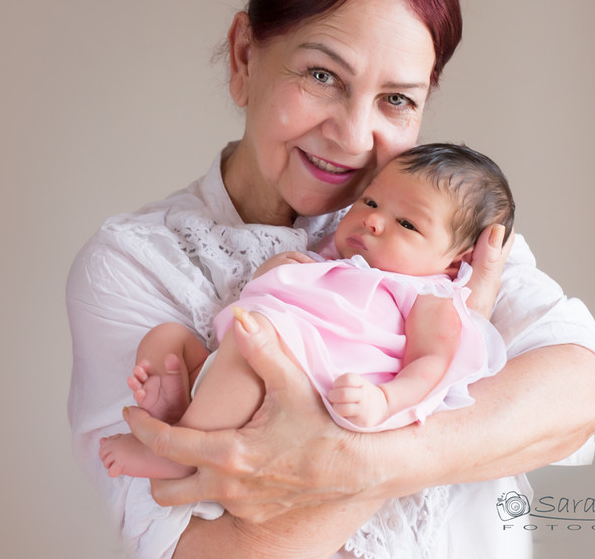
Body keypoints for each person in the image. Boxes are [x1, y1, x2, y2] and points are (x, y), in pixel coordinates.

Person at [67, 0, 595, 559]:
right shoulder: (137, 263)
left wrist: (344, 460)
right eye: (323, 74)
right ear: (243, 56)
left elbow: (578, 394)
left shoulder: (436, 226)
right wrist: (453, 431)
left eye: (396, 99)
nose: (354, 137)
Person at [98, 143, 515, 479]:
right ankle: (178, 408)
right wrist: (279, 269)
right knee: (167, 339)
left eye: (407, 224)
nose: (373, 221)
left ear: (454, 263)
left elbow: (432, 364)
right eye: (371, 202)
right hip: (242, 350)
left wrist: (385, 400)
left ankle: (181, 453)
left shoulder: (426, 294)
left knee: (249, 359)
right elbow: (277, 289)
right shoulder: (334, 256)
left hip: (293, 385)